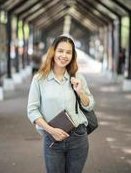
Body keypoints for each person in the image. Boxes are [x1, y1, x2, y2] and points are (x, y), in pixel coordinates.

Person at [27, 35, 95, 173]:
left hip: (78, 137)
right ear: (53, 52)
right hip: (52, 138)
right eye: (61, 51)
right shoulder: (39, 79)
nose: (64, 55)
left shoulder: (77, 76)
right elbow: (32, 110)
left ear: (72, 55)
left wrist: (80, 91)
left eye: (68, 52)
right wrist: (51, 130)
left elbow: (90, 105)